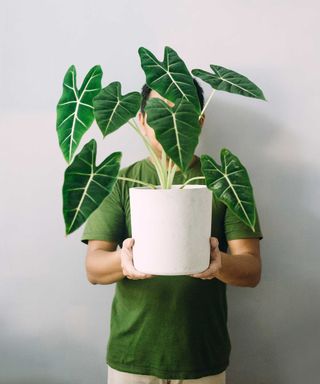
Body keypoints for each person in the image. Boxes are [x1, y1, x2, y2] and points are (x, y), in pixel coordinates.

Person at [81, 78, 263, 384]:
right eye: (159, 112)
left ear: (200, 121)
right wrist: (123, 261)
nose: (172, 120)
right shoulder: (119, 181)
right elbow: (93, 268)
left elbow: (252, 269)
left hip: (202, 356)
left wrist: (219, 263)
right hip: (132, 357)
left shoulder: (225, 181)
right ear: (140, 120)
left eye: (183, 111)